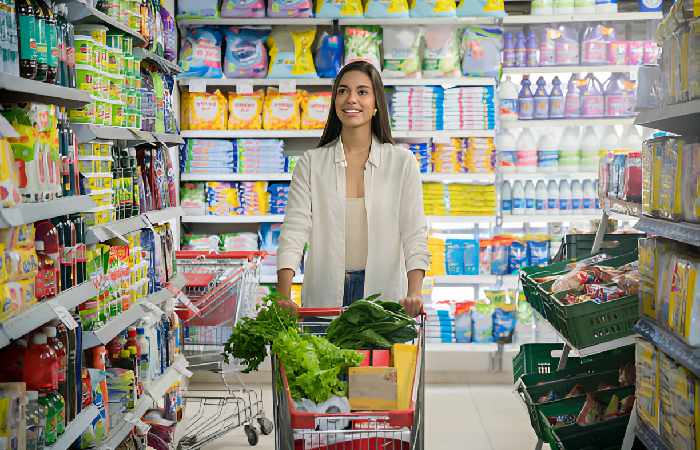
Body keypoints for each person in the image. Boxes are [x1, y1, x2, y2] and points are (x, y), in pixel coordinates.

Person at [276, 60, 429, 317]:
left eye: (362, 92)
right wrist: (283, 295)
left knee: (377, 359)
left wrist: (414, 292)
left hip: (383, 297)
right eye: (343, 91)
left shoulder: (402, 163)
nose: (351, 99)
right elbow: (294, 230)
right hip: (324, 295)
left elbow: (414, 233)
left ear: (376, 104)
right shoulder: (311, 163)